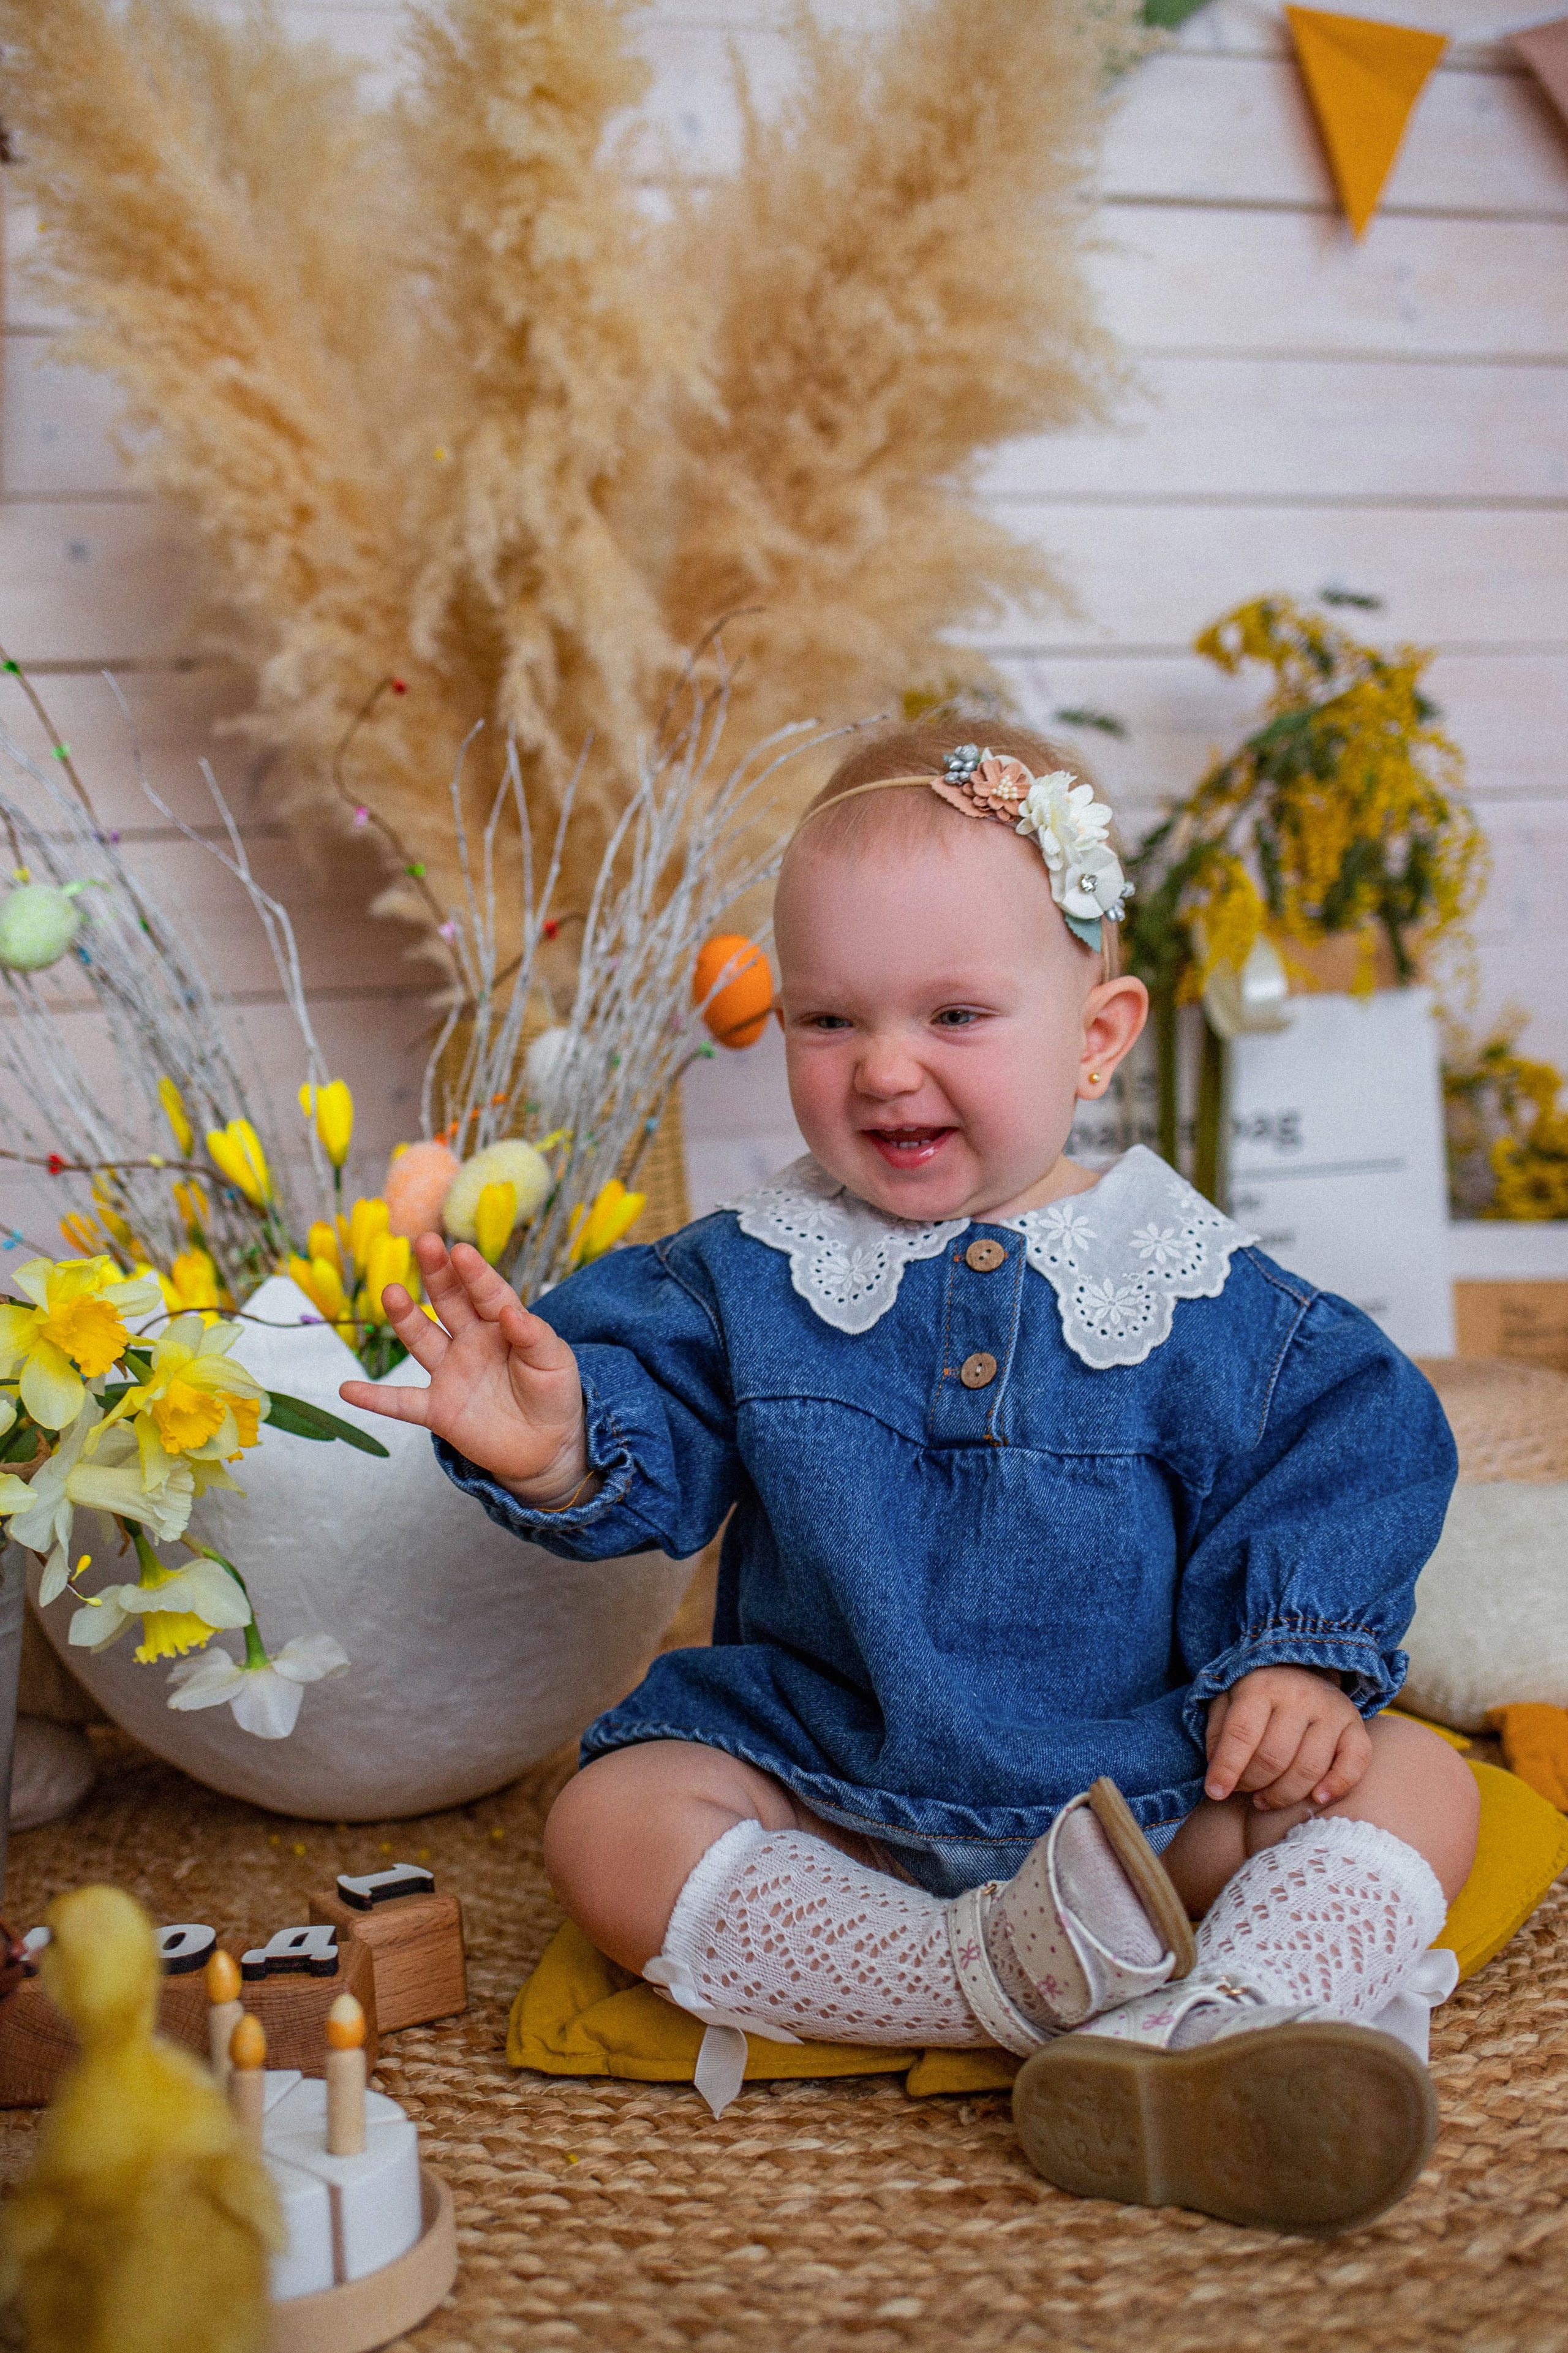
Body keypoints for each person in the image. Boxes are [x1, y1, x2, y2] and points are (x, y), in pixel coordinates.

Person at [341, 722, 1478, 2233]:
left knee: (1414, 1781)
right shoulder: (746, 1275)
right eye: (825, 1019)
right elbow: (650, 1436)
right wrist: (558, 1444)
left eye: (952, 1011)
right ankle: (988, 1983)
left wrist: (1295, 1663)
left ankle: (1226, 2019)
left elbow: (1353, 1447)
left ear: (1095, 1032)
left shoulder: (1199, 1292)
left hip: (1145, 1801)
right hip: (841, 1789)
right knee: (608, 1824)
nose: (883, 1068)